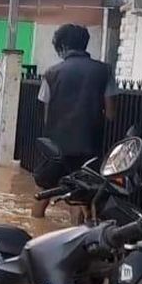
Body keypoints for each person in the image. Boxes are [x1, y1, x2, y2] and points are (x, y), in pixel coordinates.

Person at [32, 23, 117, 219]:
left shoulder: (51, 73)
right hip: (89, 145)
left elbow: (45, 113)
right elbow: (111, 113)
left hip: (56, 146)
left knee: (42, 194)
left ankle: (32, 236)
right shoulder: (104, 71)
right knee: (80, 196)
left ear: (61, 47)